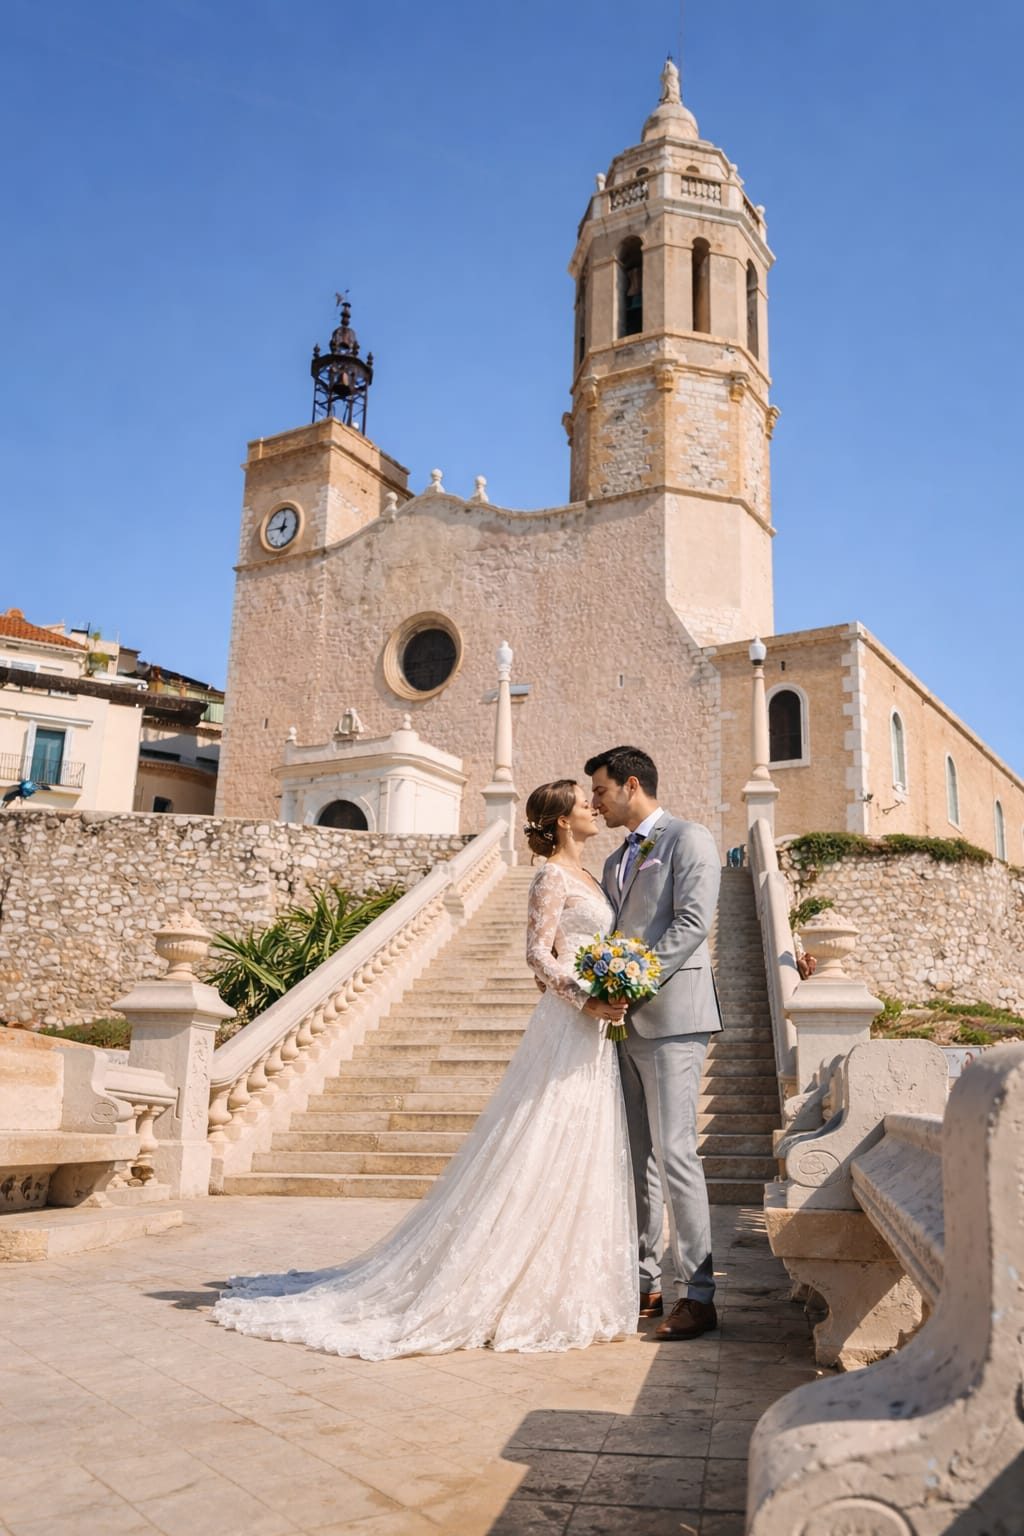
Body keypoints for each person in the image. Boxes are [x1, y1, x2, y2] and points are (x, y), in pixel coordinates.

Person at [211, 779, 637, 1360]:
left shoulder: (594, 877)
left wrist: (616, 986)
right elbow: (537, 954)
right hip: (568, 1022)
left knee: (581, 1140)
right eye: (581, 802)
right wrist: (584, 996)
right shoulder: (551, 878)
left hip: (594, 1031)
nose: (593, 805)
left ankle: (569, 1279)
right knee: (538, 1132)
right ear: (561, 820)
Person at [586, 745, 722, 1341]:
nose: (595, 801)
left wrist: (633, 977)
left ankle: (699, 1293)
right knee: (638, 1157)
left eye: (602, 791)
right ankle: (646, 1283)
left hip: (674, 1018)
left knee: (676, 1154)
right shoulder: (616, 859)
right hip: (624, 1024)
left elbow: (692, 924)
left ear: (631, 785)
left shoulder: (689, 840)